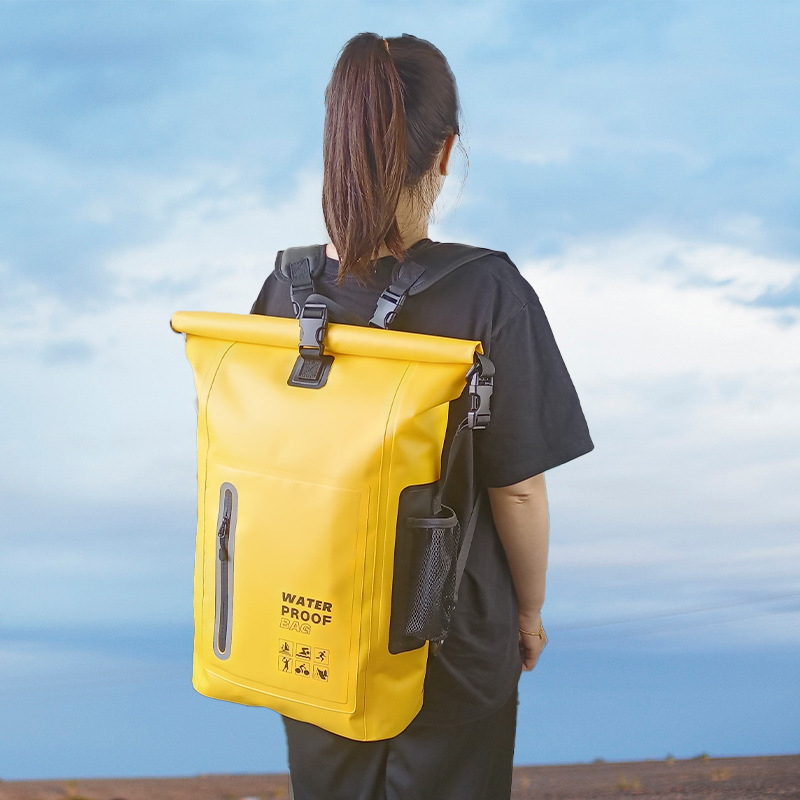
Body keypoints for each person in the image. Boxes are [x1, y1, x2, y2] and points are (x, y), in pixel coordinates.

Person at [250, 32, 594, 800]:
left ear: (338, 148)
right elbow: (517, 491)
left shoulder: (284, 293)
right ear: (445, 155)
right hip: (450, 634)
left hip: (312, 623)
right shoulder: (489, 292)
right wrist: (529, 613)